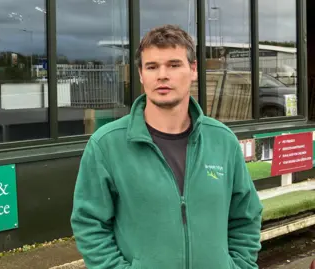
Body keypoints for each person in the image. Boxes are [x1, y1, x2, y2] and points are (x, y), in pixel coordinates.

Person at [70, 24, 263, 269]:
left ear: (193, 70)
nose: (162, 75)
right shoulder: (107, 144)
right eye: (152, 67)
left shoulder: (223, 141)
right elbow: (90, 224)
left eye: (173, 65)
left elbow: (245, 217)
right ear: (141, 75)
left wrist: (239, 265)